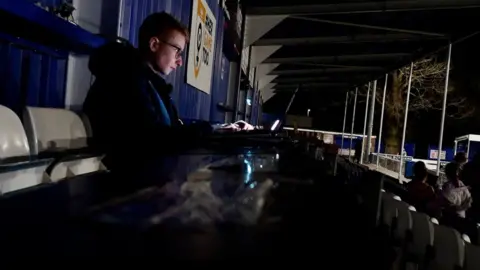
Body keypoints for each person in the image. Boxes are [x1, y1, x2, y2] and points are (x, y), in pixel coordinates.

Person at [83, 12, 251, 169]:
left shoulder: (147, 81)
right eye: (177, 51)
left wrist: (217, 129)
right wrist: (209, 131)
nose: (179, 62)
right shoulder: (124, 79)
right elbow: (153, 139)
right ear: (154, 44)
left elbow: (170, 128)